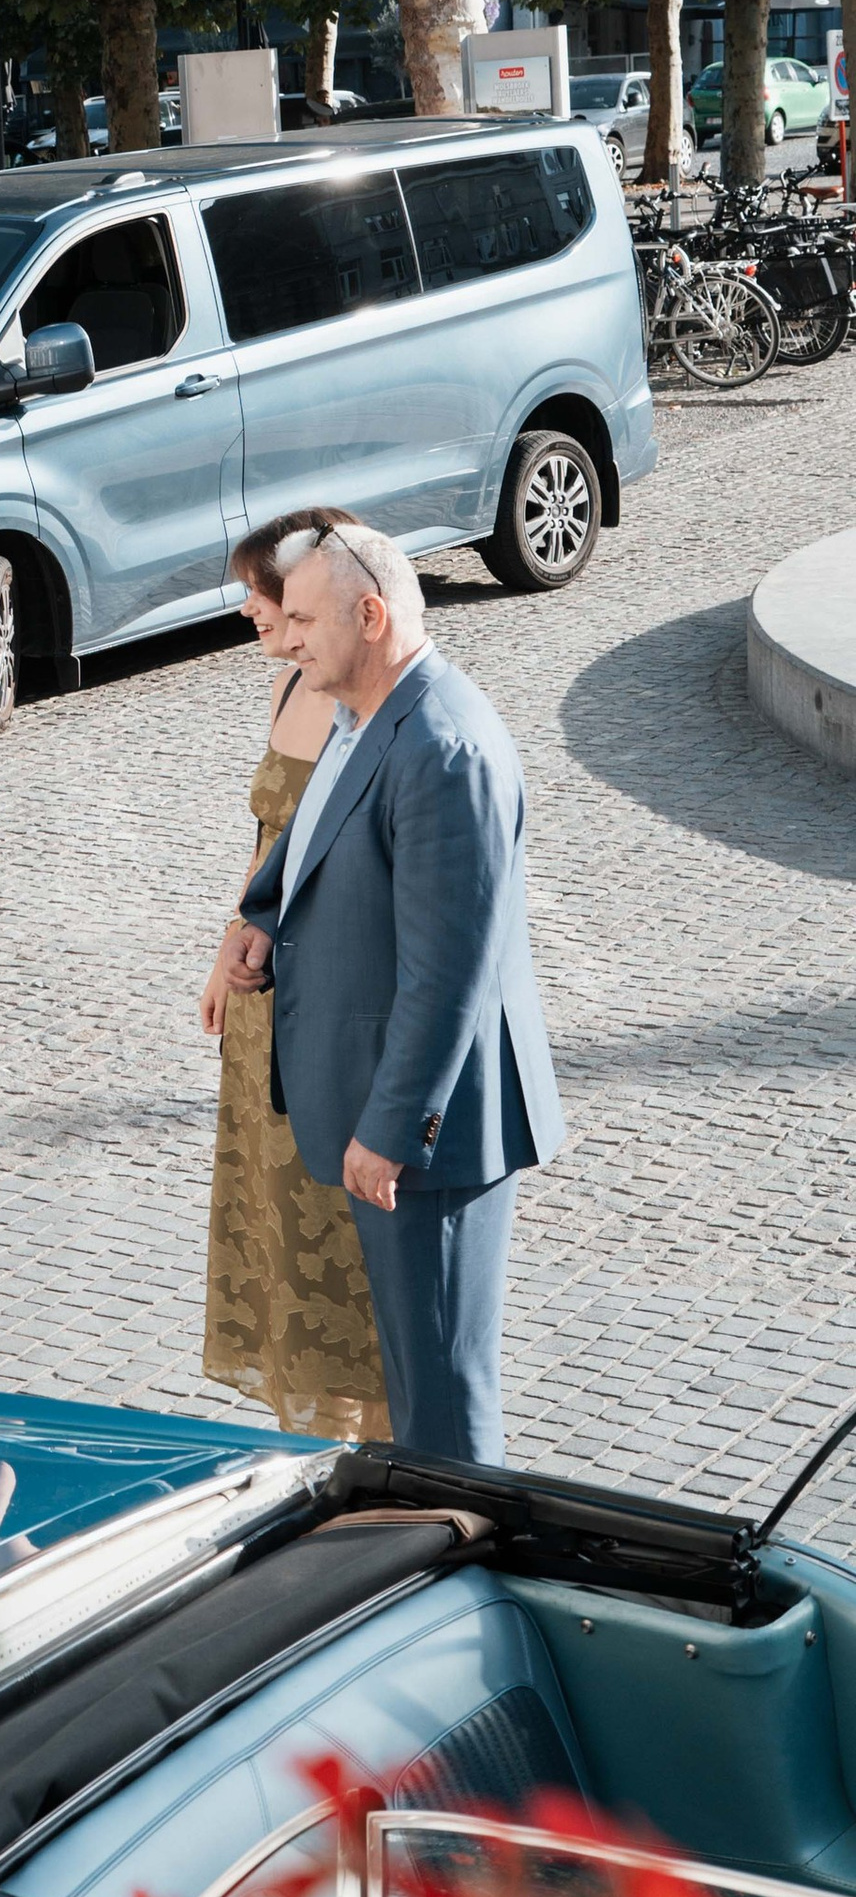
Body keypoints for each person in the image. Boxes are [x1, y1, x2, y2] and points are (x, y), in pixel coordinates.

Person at [208, 512, 562, 1466]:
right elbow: (318, 841)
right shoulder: (367, 714)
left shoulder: (443, 748)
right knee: (408, 1380)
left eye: (305, 622)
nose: (287, 637)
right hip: (375, 1104)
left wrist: (394, 1129)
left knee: (440, 1393)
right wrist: (264, 924)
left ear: (370, 616)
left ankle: (464, 1561)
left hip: (430, 1138)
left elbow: (451, 972)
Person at [197, 520, 391, 1442]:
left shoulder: (362, 703)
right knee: (276, 1228)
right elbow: (269, 846)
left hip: (323, 1006)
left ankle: (378, 1445)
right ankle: (314, 1445)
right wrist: (226, 944)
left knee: (337, 1242)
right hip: (261, 1003)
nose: (249, 610)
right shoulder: (289, 683)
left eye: (264, 596)